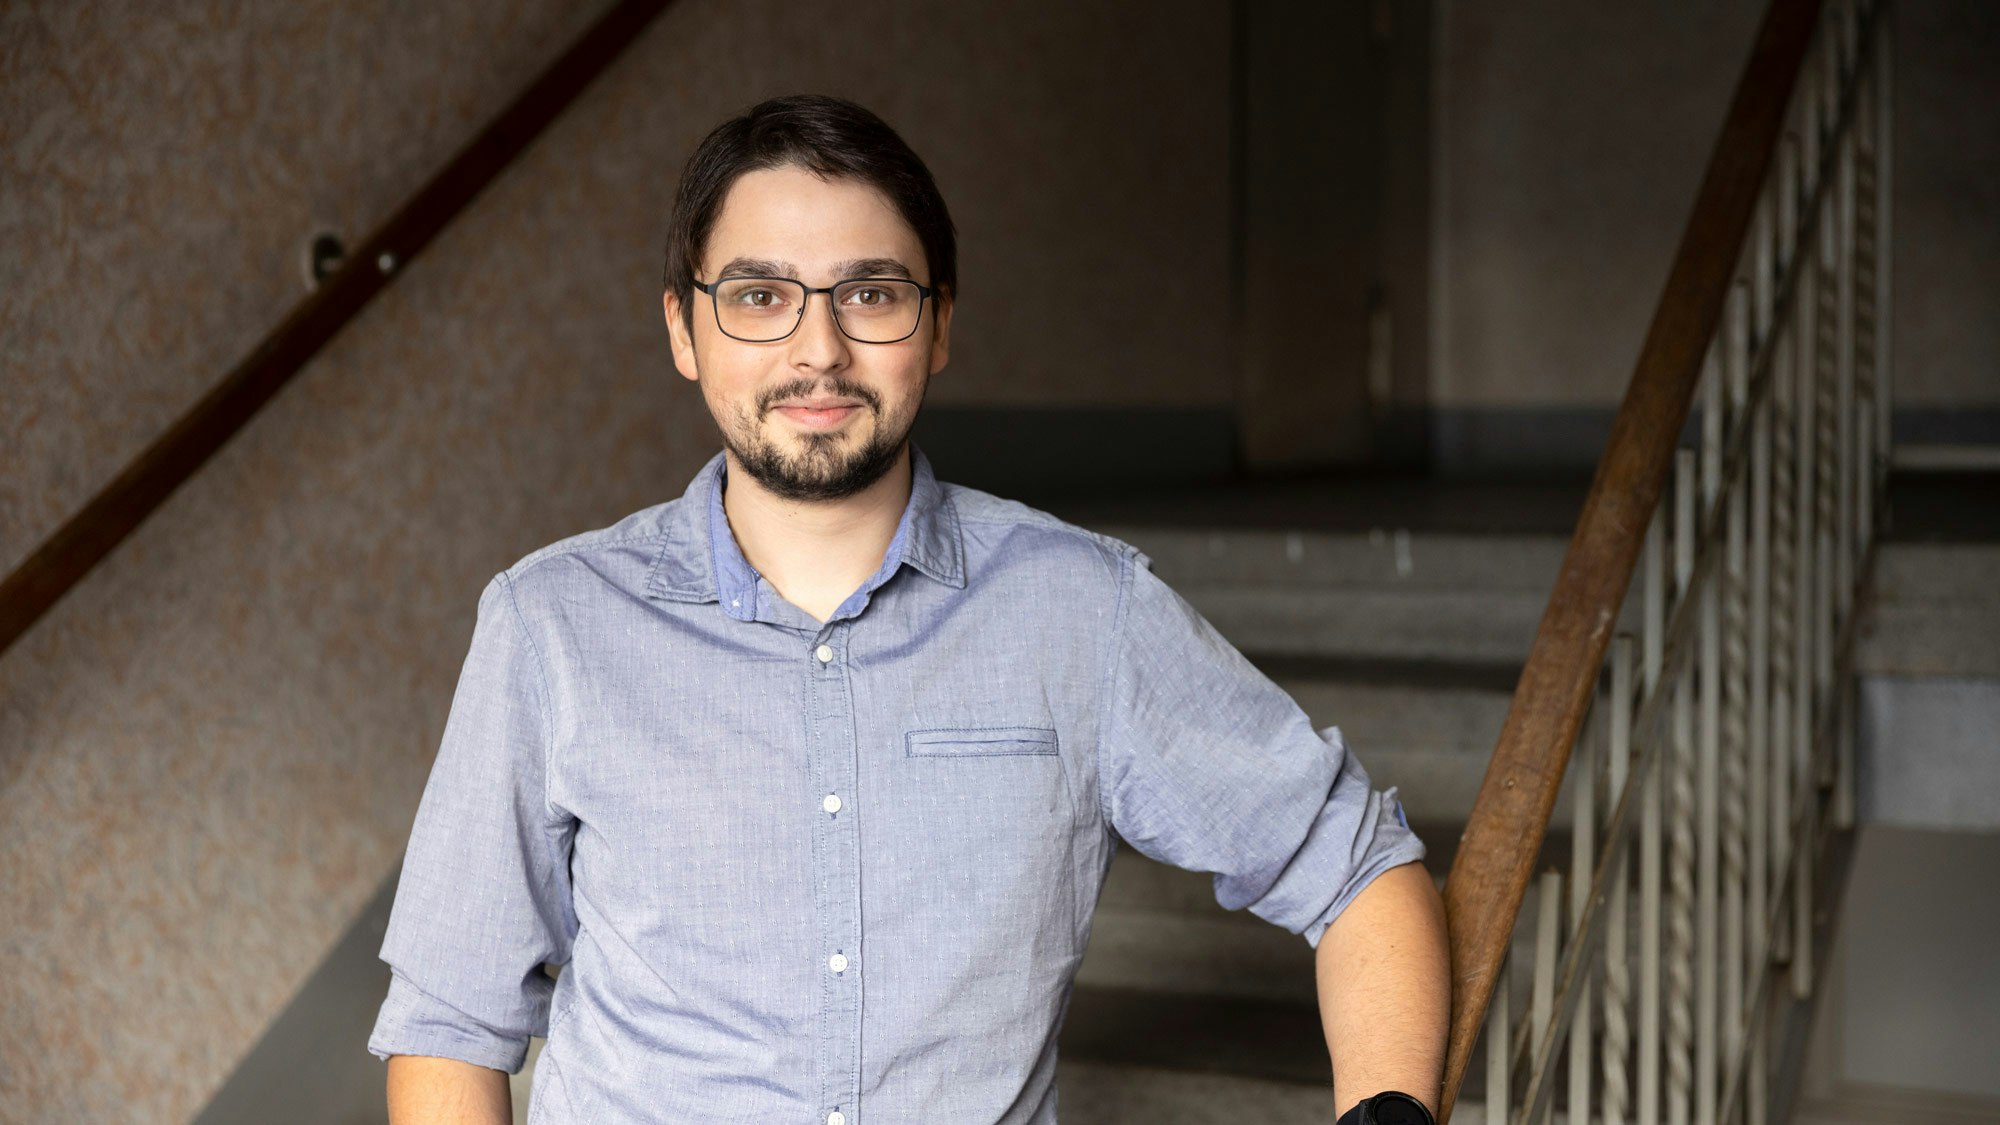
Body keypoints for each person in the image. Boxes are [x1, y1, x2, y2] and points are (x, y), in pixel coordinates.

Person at [368, 93, 1449, 1125]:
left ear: (936, 329)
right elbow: (451, 1021)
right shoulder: (552, 624)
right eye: (758, 296)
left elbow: (1353, 867)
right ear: (683, 332)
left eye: (871, 293)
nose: (817, 349)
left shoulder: (1080, 610)